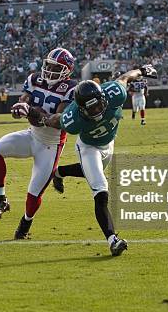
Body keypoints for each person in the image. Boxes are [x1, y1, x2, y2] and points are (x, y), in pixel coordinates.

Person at [38, 64, 156, 256]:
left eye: (99, 104)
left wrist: (142, 71)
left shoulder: (114, 92)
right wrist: (43, 119)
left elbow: (125, 77)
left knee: (92, 173)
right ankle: (112, 240)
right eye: (91, 109)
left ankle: (58, 172)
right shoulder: (72, 118)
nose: (98, 110)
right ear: (81, 108)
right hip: (89, 148)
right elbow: (57, 119)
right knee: (101, 190)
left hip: (109, 144)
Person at [0, 48, 77, 240]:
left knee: (33, 194)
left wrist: (32, 112)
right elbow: (21, 105)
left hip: (50, 145)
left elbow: (57, 120)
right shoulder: (35, 79)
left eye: (56, 67)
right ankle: (0, 198)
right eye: (49, 65)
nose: (49, 70)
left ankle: (25, 224)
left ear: (67, 70)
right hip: (32, 135)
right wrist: (19, 109)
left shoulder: (70, 88)